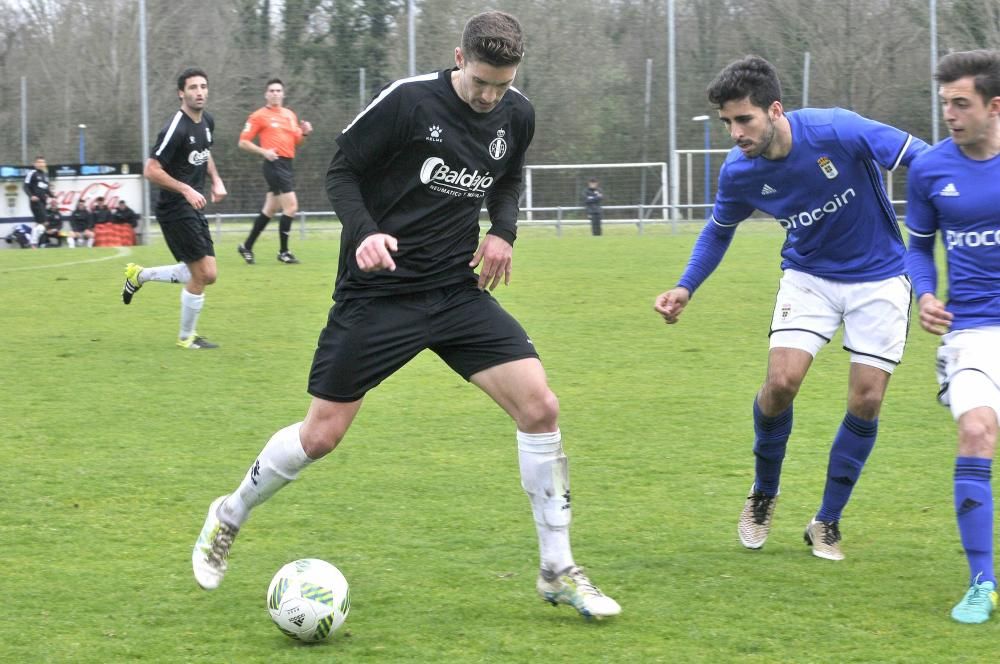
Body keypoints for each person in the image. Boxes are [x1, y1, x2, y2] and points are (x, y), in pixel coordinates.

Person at [191, 10, 620, 620]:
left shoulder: (517, 113)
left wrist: (503, 231)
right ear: (458, 58)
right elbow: (341, 171)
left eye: (502, 84)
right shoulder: (408, 103)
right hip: (379, 292)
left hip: (454, 291)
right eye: (481, 83)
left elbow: (507, 177)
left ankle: (557, 569)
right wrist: (365, 233)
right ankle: (229, 514)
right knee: (321, 436)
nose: (490, 96)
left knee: (540, 406)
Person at [653, 55, 928, 561]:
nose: (735, 133)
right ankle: (763, 492)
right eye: (727, 122)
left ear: (775, 110)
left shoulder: (837, 129)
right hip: (808, 278)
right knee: (780, 384)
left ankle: (827, 521)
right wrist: (686, 286)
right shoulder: (739, 172)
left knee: (866, 400)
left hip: (882, 278)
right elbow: (719, 230)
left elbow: (923, 159)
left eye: (744, 119)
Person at [905, 49, 1000, 624]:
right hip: (971, 331)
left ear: (995, 106)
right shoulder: (929, 169)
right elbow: (918, 246)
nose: (950, 115)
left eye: (961, 104)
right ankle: (982, 580)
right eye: (945, 104)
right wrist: (925, 293)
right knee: (975, 430)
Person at [121, 67, 227, 349]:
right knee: (202, 274)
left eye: (203, 86)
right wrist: (186, 188)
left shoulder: (207, 122)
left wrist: (215, 180)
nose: (199, 92)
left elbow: (206, 153)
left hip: (192, 206)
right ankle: (186, 338)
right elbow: (150, 169)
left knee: (208, 274)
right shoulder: (175, 128)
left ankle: (139, 275)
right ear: (181, 93)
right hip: (174, 209)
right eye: (193, 87)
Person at [235, 78, 313, 265]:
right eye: (272, 90)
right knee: (291, 207)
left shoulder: (289, 115)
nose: (275, 93)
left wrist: (305, 133)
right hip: (274, 164)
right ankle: (284, 252)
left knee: (270, 209)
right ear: (266, 94)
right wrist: (264, 152)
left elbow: (298, 142)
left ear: (283, 94)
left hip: (287, 164)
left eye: (278, 90)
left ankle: (246, 246)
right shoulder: (258, 116)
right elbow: (243, 142)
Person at [23, 156, 53, 233]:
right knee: (44, 222)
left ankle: (34, 242)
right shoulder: (32, 173)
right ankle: (35, 242)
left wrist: (53, 196)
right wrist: (31, 196)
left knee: (40, 224)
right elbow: (25, 186)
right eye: (39, 162)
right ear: (35, 164)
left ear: (45, 164)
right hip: (36, 202)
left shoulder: (45, 175)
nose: (41, 164)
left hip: (43, 203)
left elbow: (46, 189)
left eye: (42, 162)